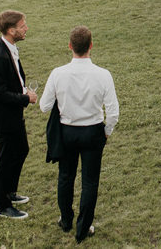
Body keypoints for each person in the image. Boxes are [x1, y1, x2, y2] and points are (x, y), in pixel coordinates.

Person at [39, 26, 119, 243]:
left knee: (65, 176)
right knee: (90, 181)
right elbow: (113, 112)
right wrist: (107, 131)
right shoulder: (103, 75)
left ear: (70, 46)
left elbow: (44, 106)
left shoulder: (58, 73)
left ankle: (66, 220)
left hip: (67, 131)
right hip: (93, 131)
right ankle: (83, 228)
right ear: (91, 45)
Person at [0, 10, 37, 219]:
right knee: (5, 160)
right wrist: (25, 98)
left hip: (13, 114)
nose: (26, 28)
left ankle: (9, 192)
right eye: (22, 26)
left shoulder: (9, 48)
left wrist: (23, 90)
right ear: (11, 30)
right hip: (4, 118)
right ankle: (2, 205)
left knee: (21, 150)